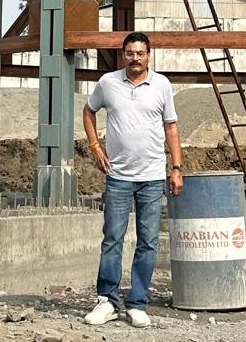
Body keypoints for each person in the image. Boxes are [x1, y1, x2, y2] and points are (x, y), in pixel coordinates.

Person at [82, 32, 183, 327]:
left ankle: (137, 303)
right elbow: (89, 112)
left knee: (148, 242)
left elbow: (172, 128)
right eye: (129, 53)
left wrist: (176, 168)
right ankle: (107, 301)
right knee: (112, 238)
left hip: (152, 177)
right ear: (123, 55)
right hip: (118, 177)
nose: (135, 58)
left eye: (140, 53)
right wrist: (95, 147)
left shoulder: (161, 85)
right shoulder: (108, 83)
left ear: (148, 55)